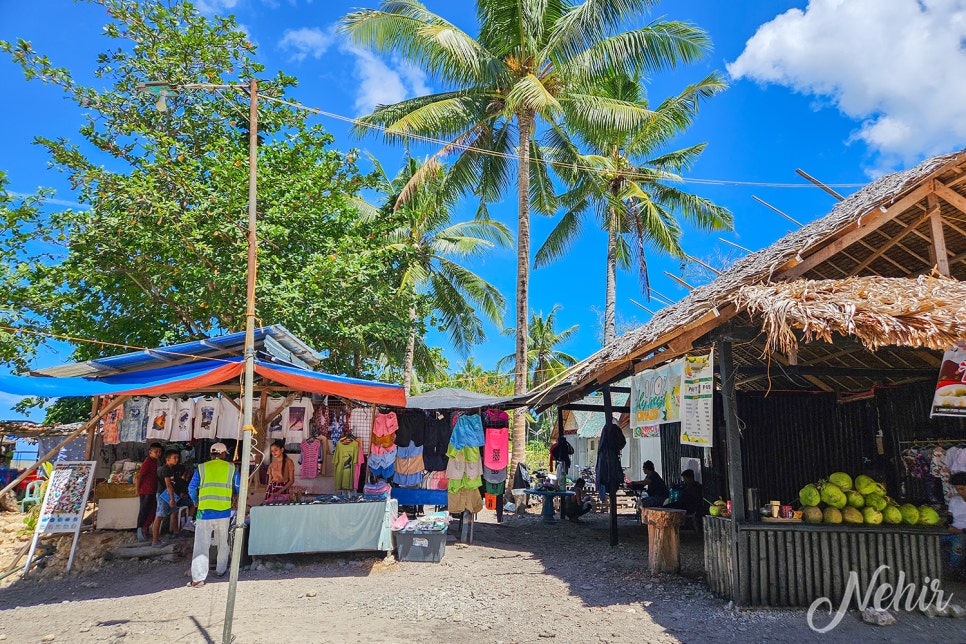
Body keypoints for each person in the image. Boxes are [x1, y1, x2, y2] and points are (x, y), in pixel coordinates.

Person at [187, 442, 240, 587]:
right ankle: (220, 570)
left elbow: (191, 487)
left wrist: (196, 501)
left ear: (211, 454)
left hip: (204, 512)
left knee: (201, 545)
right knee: (223, 542)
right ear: (223, 454)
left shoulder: (201, 468)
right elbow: (239, 488)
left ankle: (198, 578)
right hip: (224, 512)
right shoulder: (231, 468)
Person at [151, 449, 188, 545]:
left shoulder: (174, 468)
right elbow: (168, 486)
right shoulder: (165, 469)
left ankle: (175, 532)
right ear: (168, 459)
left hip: (171, 494)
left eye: (177, 458)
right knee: (159, 516)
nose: (176, 460)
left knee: (174, 512)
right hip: (163, 495)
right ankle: (155, 540)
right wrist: (172, 499)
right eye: (174, 458)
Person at [135, 443, 163, 541]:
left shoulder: (155, 462)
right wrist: (137, 489)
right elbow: (140, 476)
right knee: (144, 511)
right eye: (156, 452)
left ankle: (145, 528)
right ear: (150, 452)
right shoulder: (147, 462)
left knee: (153, 510)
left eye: (159, 452)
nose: (158, 454)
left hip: (152, 489)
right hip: (146, 490)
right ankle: (141, 530)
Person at [943, 471, 966, 579]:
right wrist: (949, 527)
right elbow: (949, 519)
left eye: (962, 489)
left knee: (957, 548)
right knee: (931, 541)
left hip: (962, 532)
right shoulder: (954, 500)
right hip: (952, 530)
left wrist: (960, 531)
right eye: (957, 489)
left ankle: (953, 570)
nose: (960, 492)